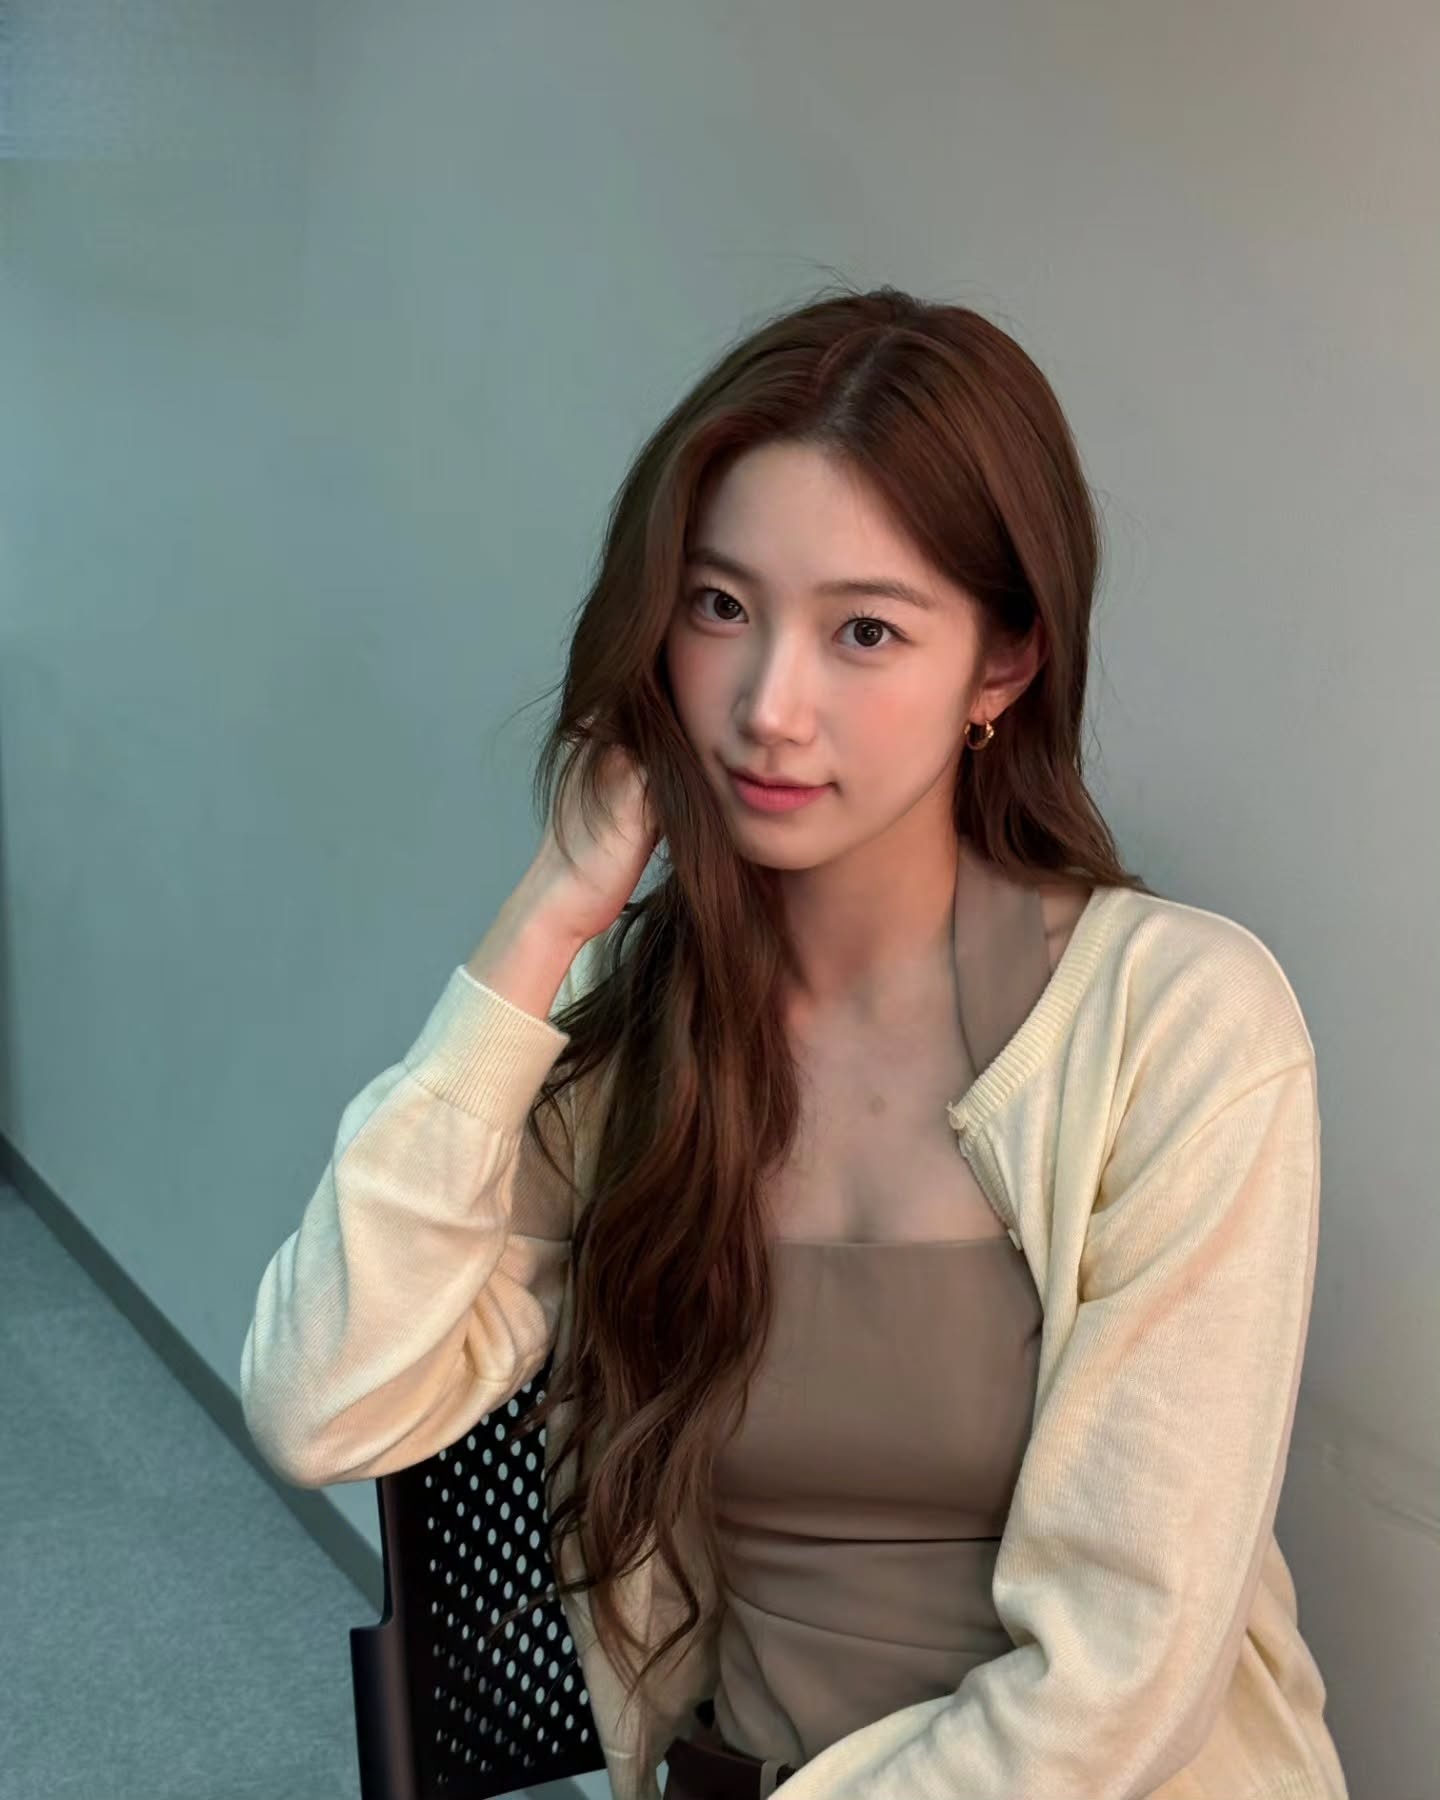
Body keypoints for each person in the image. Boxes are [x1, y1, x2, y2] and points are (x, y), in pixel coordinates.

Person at [240, 285, 1347, 1800]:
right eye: (720, 607)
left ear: (1002, 667)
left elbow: (1120, 1678)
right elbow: (325, 1400)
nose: (769, 708)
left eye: (866, 631)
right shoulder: (634, 1026)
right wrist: (548, 918)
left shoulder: (1181, 1025)